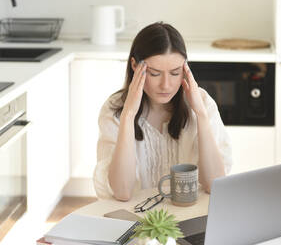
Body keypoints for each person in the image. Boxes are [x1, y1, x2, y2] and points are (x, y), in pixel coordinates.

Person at [94, 22, 233, 201]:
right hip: (138, 220)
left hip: (191, 214)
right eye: (154, 73)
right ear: (135, 66)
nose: (166, 85)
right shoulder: (115, 110)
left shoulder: (202, 102)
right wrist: (128, 115)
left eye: (175, 73)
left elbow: (214, 185)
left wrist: (200, 114)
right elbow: (122, 192)